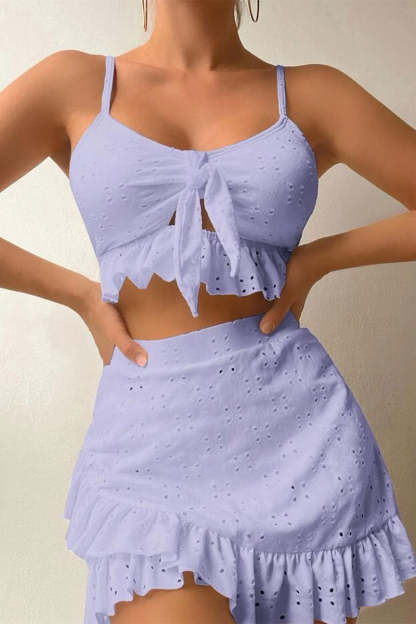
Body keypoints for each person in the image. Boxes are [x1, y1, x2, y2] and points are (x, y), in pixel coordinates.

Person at [1, 1, 416, 623]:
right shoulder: (75, 82)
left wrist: (320, 258)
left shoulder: (313, 94)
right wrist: (78, 293)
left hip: (297, 441)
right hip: (148, 443)